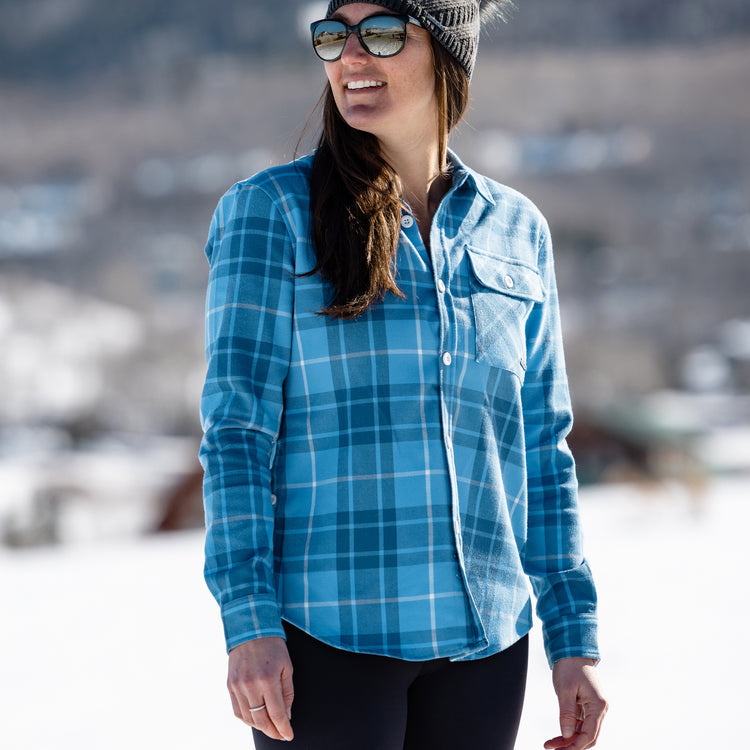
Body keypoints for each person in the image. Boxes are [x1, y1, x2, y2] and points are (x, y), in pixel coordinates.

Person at [199, 1, 608, 748]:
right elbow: (237, 435)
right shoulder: (271, 212)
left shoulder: (516, 229)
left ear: (448, 53)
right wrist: (247, 623)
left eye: (383, 33)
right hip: (326, 639)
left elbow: (542, 449)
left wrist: (573, 636)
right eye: (333, 36)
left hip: (487, 644)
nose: (352, 57)